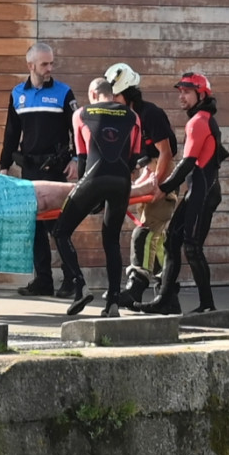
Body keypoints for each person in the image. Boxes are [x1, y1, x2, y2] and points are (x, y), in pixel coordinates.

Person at [135, 72, 227, 316]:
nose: (181, 97)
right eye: (180, 92)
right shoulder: (201, 118)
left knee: (192, 247)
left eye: (186, 92)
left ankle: (207, 305)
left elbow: (187, 164)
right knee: (173, 240)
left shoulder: (198, 121)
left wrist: (162, 188)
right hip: (198, 190)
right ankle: (164, 299)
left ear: (201, 94)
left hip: (203, 193)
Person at [53, 77, 141, 318]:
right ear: (111, 94)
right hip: (122, 182)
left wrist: (90, 198)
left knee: (60, 231)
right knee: (111, 241)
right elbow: (133, 159)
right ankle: (113, 302)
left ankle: (80, 286)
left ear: (93, 94)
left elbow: (82, 161)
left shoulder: (81, 113)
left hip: (93, 178)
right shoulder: (133, 117)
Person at [0, 41, 79, 297]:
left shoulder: (64, 93)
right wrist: (4, 167)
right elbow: (11, 133)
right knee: (33, 228)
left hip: (56, 170)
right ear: (31, 65)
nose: (49, 68)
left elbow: (77, 130)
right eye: (45, 64)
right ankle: (43, 280)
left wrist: (77, 159)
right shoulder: (17, 94)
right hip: (30, 170)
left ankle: (71, 280)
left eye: (51, 63)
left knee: (58, 227)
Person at [103, 62, 179, 309]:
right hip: (148, 174)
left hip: (162, 177)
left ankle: (135, 289)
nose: (112, 100)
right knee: (156, 241)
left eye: (115, 95)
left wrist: (160, 186)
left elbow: (166, 153)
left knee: (144, 233)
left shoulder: (150, 114)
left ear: (126, 92)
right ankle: (168, 296)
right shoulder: (127, 118)